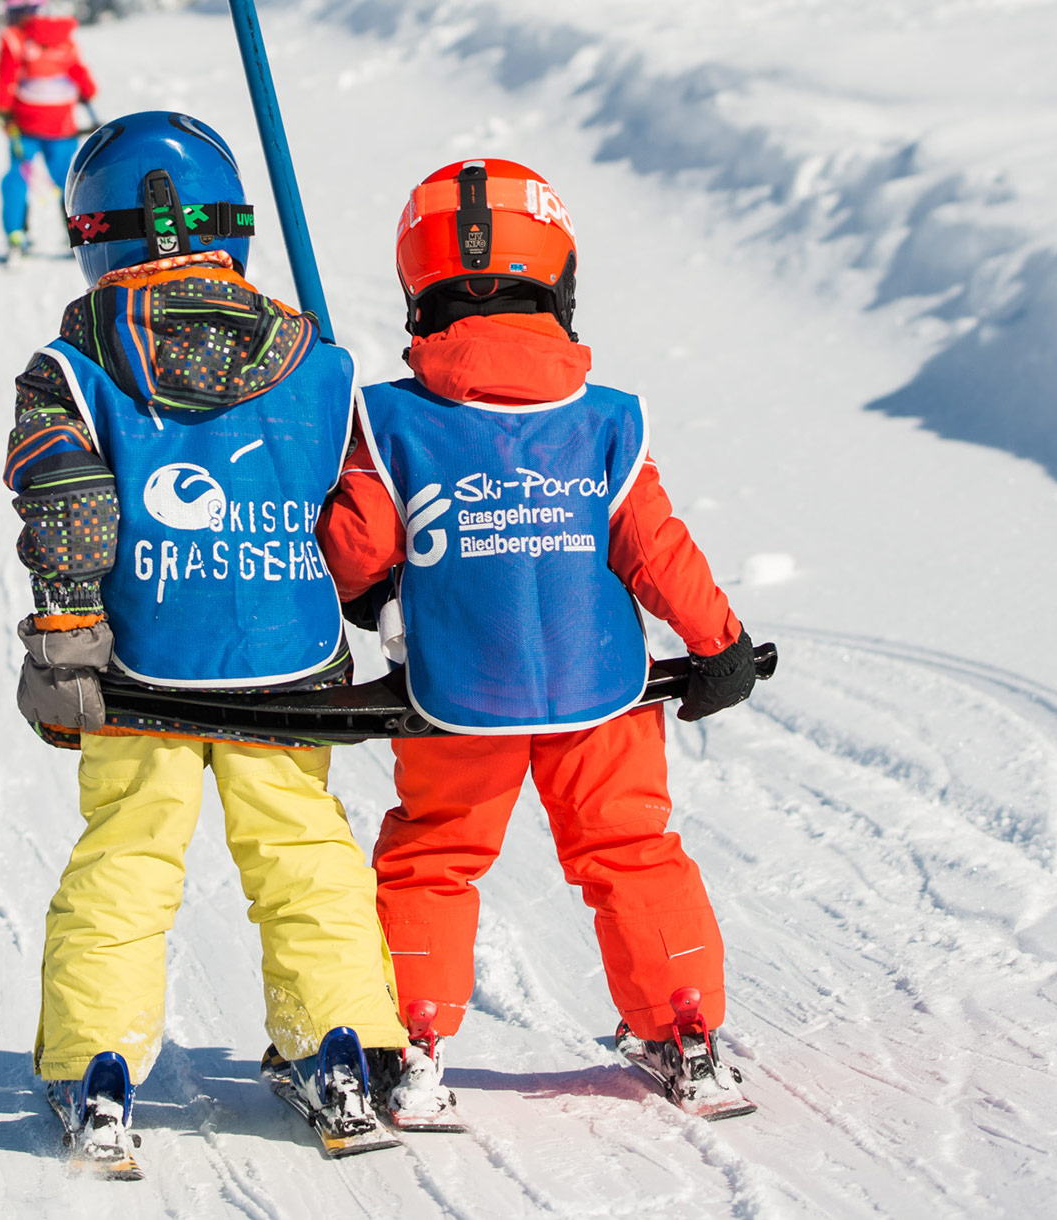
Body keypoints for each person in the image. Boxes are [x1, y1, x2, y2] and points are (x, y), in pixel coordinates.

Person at [3, 111, 409, 1173]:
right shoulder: (316, 361)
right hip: (289, 662)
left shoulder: (72, 365)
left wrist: (66, 632)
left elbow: (68, 499)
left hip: (144, 675)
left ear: (92, 234)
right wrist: (377, 598)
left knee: (128, 858)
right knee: (305, 855)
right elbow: (359, 518)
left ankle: (97, 1067)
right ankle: (336, 1045)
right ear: (232, 226)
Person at [316, 157, 761, 1123]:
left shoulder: (388, 419)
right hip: (602, 688)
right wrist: (718, 641)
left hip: (454, 695)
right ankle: (685, 1032)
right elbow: (652, 544)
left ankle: (414, 1041)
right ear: (559, 278)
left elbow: (354, 549)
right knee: (630, 848)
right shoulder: (605, 420)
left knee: (435, 855)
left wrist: (362, 586)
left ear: (417, 288)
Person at [0, 1, 96, 262]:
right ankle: (78, 236)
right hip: (62, 123)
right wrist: (86, 91)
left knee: (18, 176)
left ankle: (16, 235)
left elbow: (6, 77)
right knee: (69, 181)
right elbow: (81, 78)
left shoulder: (15, 38)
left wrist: (2, 111)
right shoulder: (63, 37)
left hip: (25, 123)